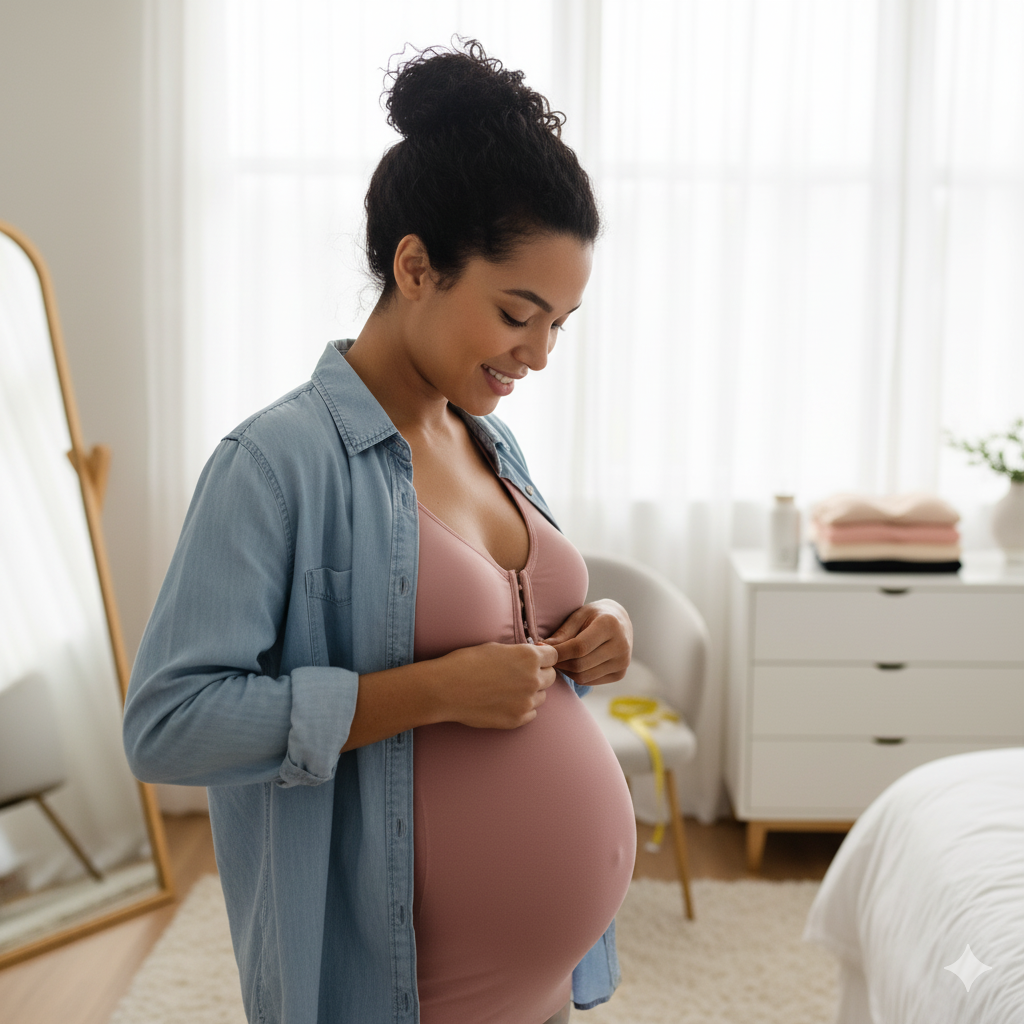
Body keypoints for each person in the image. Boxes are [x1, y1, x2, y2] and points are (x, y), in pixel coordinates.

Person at [123, 39, 636, 1024]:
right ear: (415, 265)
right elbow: (167, 724)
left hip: (539, 993)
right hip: (400, 993)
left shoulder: (489, 440)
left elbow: (524, 619)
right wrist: (432, 691)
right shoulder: (274, 465)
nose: (537, 353)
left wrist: (597, 622)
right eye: (516, 312)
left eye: (560, 323)